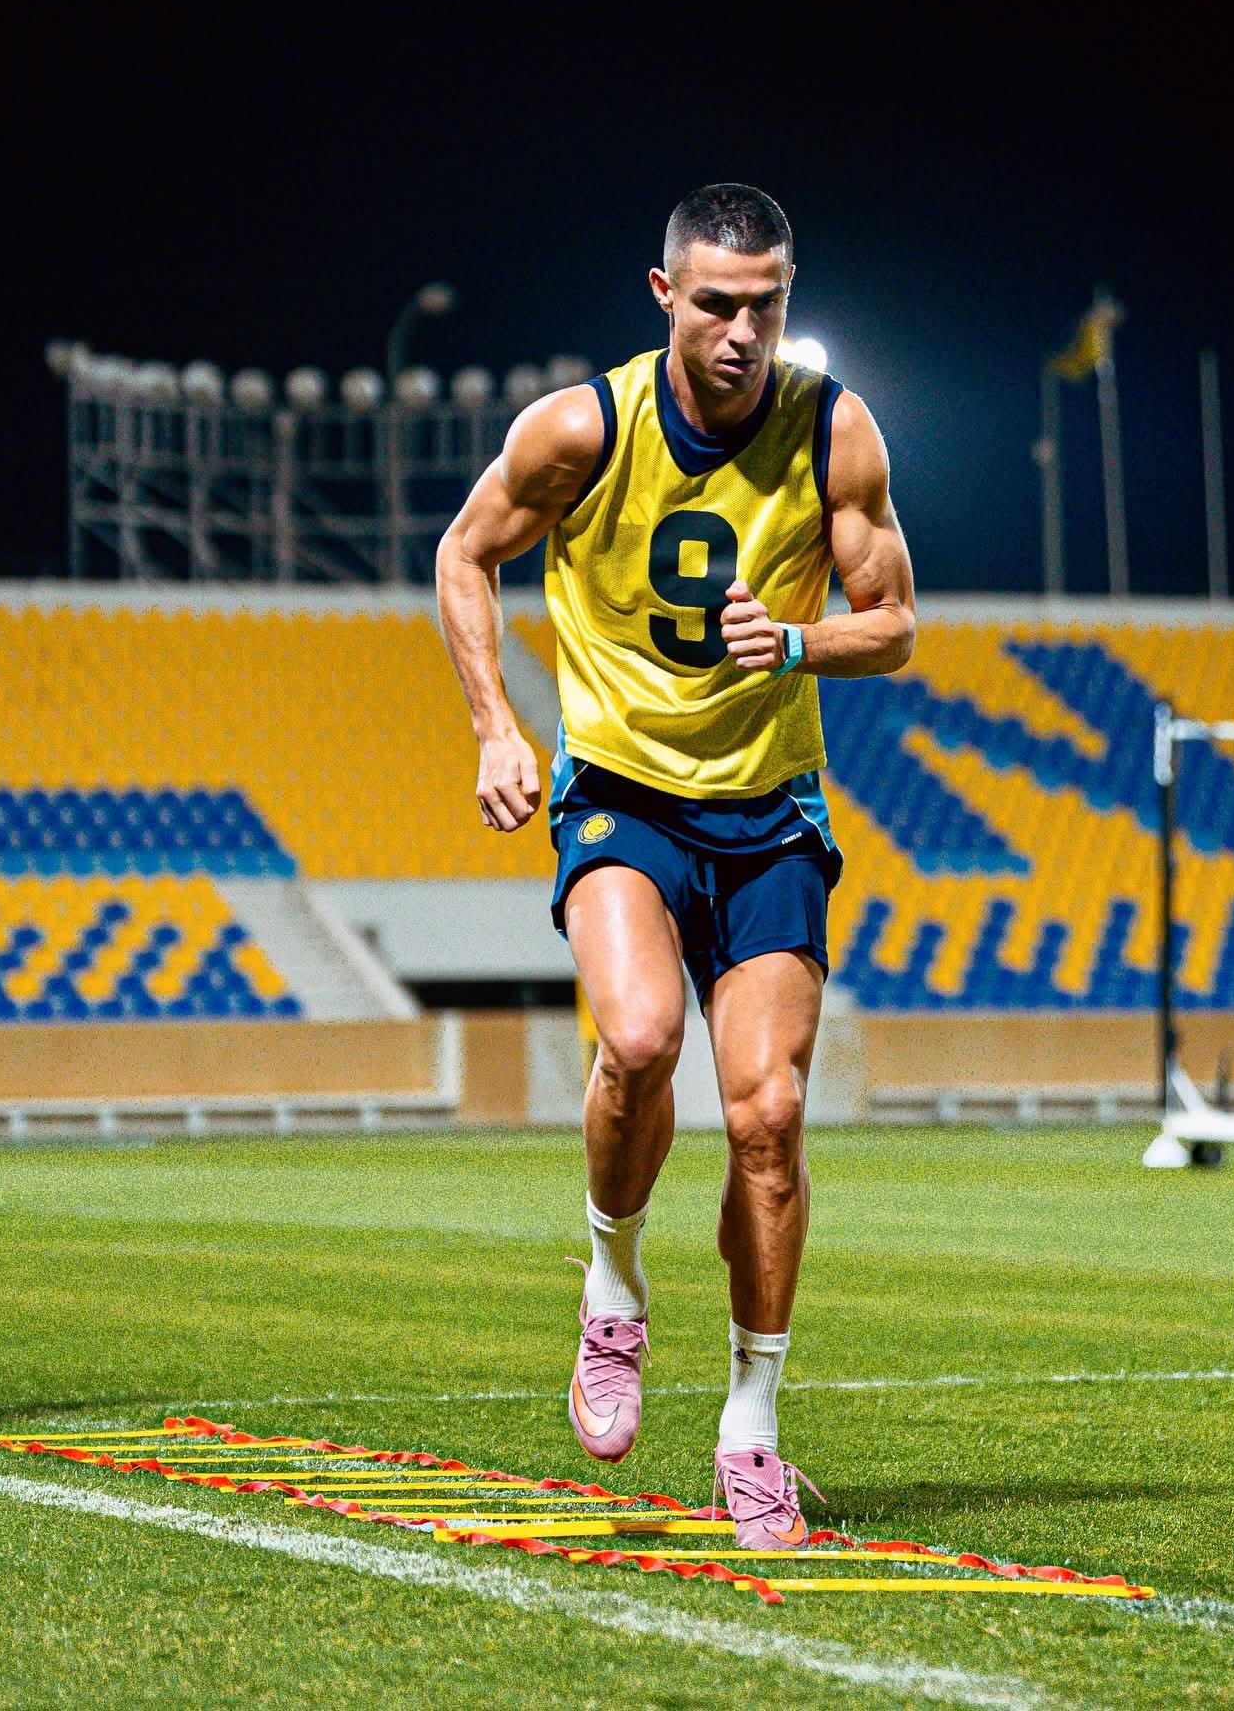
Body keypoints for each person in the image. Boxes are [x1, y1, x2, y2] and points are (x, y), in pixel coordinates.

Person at [436, 183, 915, 1549]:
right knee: (639, 1039)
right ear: (664, 296)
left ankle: (751, 1430)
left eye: (767, 304)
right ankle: (612, 1280)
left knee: (769, 1116)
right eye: (716, 303)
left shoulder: (833, 429)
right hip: (623, 795)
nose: (742, 331)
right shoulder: (584, 428)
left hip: (769, 812)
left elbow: (893, 622)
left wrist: (800, 645)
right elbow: (465, 554)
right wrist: (496, 727)